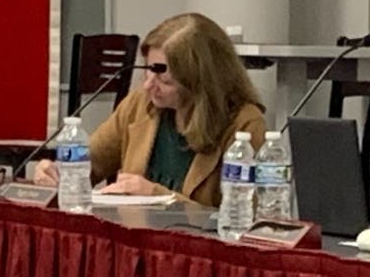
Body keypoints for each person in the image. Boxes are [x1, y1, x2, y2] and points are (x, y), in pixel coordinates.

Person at [34, 12, 267, 207]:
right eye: (148, 70)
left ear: (200, 81)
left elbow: (246, 217)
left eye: (164, 79)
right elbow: (89, 164)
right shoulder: (140, 104)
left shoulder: (244, 124)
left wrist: (160, 198)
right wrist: (55, 173)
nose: (148, 85)